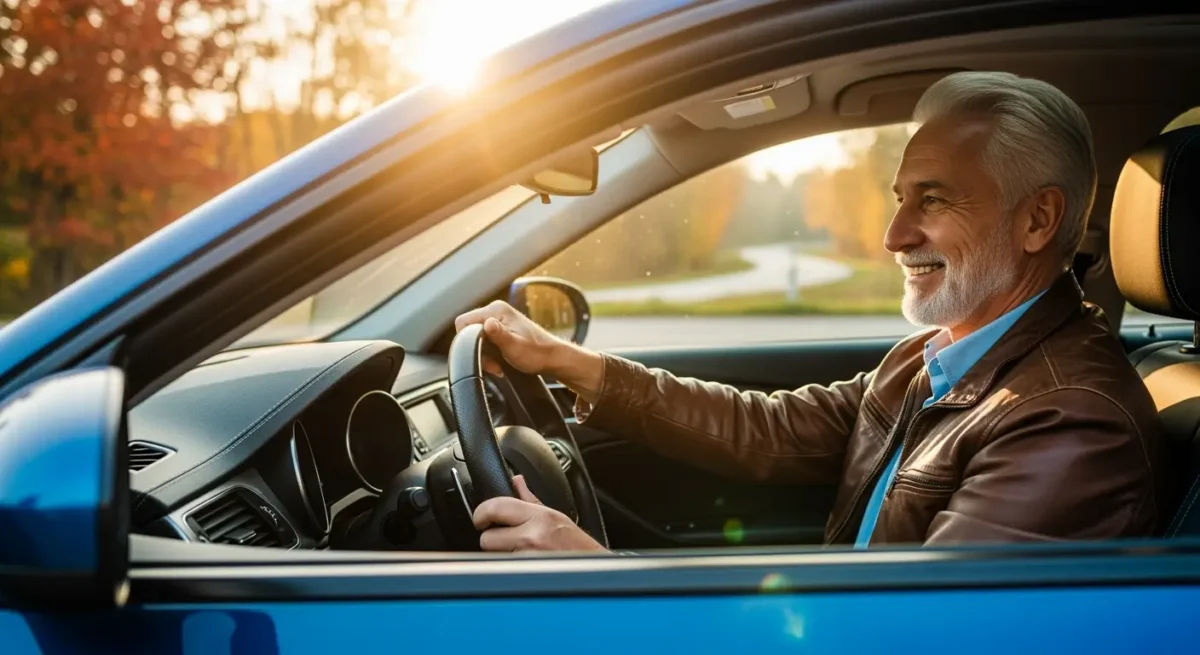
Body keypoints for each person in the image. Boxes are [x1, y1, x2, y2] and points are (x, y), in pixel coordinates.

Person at [455, 71, 1164, 553]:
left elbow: (912, 634)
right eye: (899, 198)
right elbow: (766, 429)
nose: (894, 235)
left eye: (935, 200)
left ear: (1037, 219)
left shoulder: (1071, 421)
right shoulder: (940, 356)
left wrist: (597, 577)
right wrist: (564, 359)